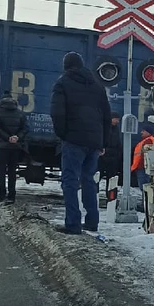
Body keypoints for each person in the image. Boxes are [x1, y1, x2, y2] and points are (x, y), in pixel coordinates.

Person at [50, 51, 112, 235]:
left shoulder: (62, 83)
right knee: (88, 181)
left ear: (65, 65)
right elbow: (107, 116)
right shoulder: (97, 86)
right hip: (93, 142)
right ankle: (92, 222)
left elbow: (57, 113)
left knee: (69, 181)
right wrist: (103, 142)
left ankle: (73, 224)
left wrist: (63, 135)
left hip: (73, 140)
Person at [0, 93, 29, 204]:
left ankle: (1, 194)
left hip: (2, 146)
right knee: (12, 171)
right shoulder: (20, 113)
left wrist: (7, 138)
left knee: (1, 171)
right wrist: (17, 137)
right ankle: (12, 195)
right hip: (15, 147)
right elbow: (26, 128)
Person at [131, 123, 154, 191]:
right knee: (145, 187)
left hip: (142, 167)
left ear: (148, 132)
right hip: (143, 167)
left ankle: (145, 201)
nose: (141, 132)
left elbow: (144, 155)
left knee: (144, 187)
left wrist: (140, 166)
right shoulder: (148, 140)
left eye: (143, 131)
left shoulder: (148, 141)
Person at [101, 112, 123, 192]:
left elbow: (118, 142)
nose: (117, 121)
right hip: (102, 156)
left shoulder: (116, 129)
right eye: (116, 119)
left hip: (113, 158)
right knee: (97, 175)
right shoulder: (103, 127)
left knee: (111, 179)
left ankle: (110, 196)